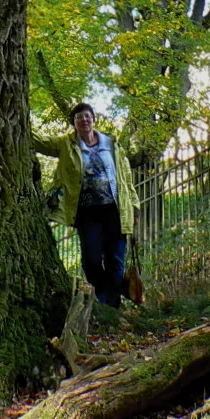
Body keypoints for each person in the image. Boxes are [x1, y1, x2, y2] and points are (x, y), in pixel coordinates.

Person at [53, 102, 140, 309]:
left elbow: (126, 178)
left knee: (115, 259)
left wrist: (134, 206)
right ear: (74, 124)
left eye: (87, 116)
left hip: (114, 210)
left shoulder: (111, 144)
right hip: (86, 212)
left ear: (94, 119)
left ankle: (111, 306)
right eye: (78, 117)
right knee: (91, 259)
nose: (84, 120)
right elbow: (40, 142)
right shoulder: (66, 144)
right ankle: (103, 297)